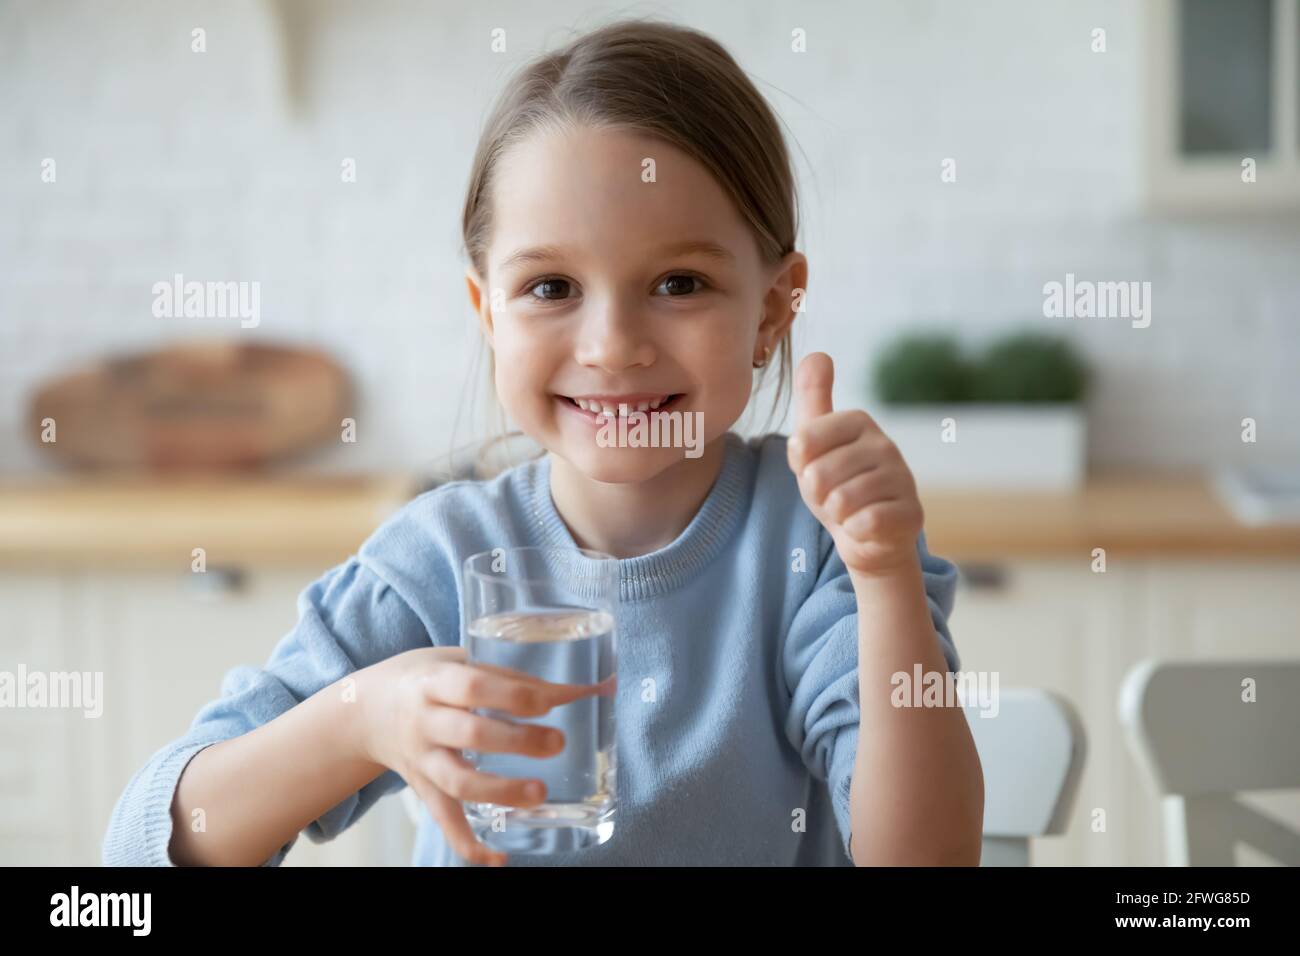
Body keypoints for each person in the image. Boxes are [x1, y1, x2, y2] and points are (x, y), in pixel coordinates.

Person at [103, 18, 983, 868]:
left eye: (680, 282)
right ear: (488, 314)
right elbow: (148, 844)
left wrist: (884, 578)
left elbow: (926, 857)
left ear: (773, 308)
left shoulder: (818, 551)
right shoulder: (436, 561)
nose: (611, 345)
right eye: (552, 285)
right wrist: (358, 718)